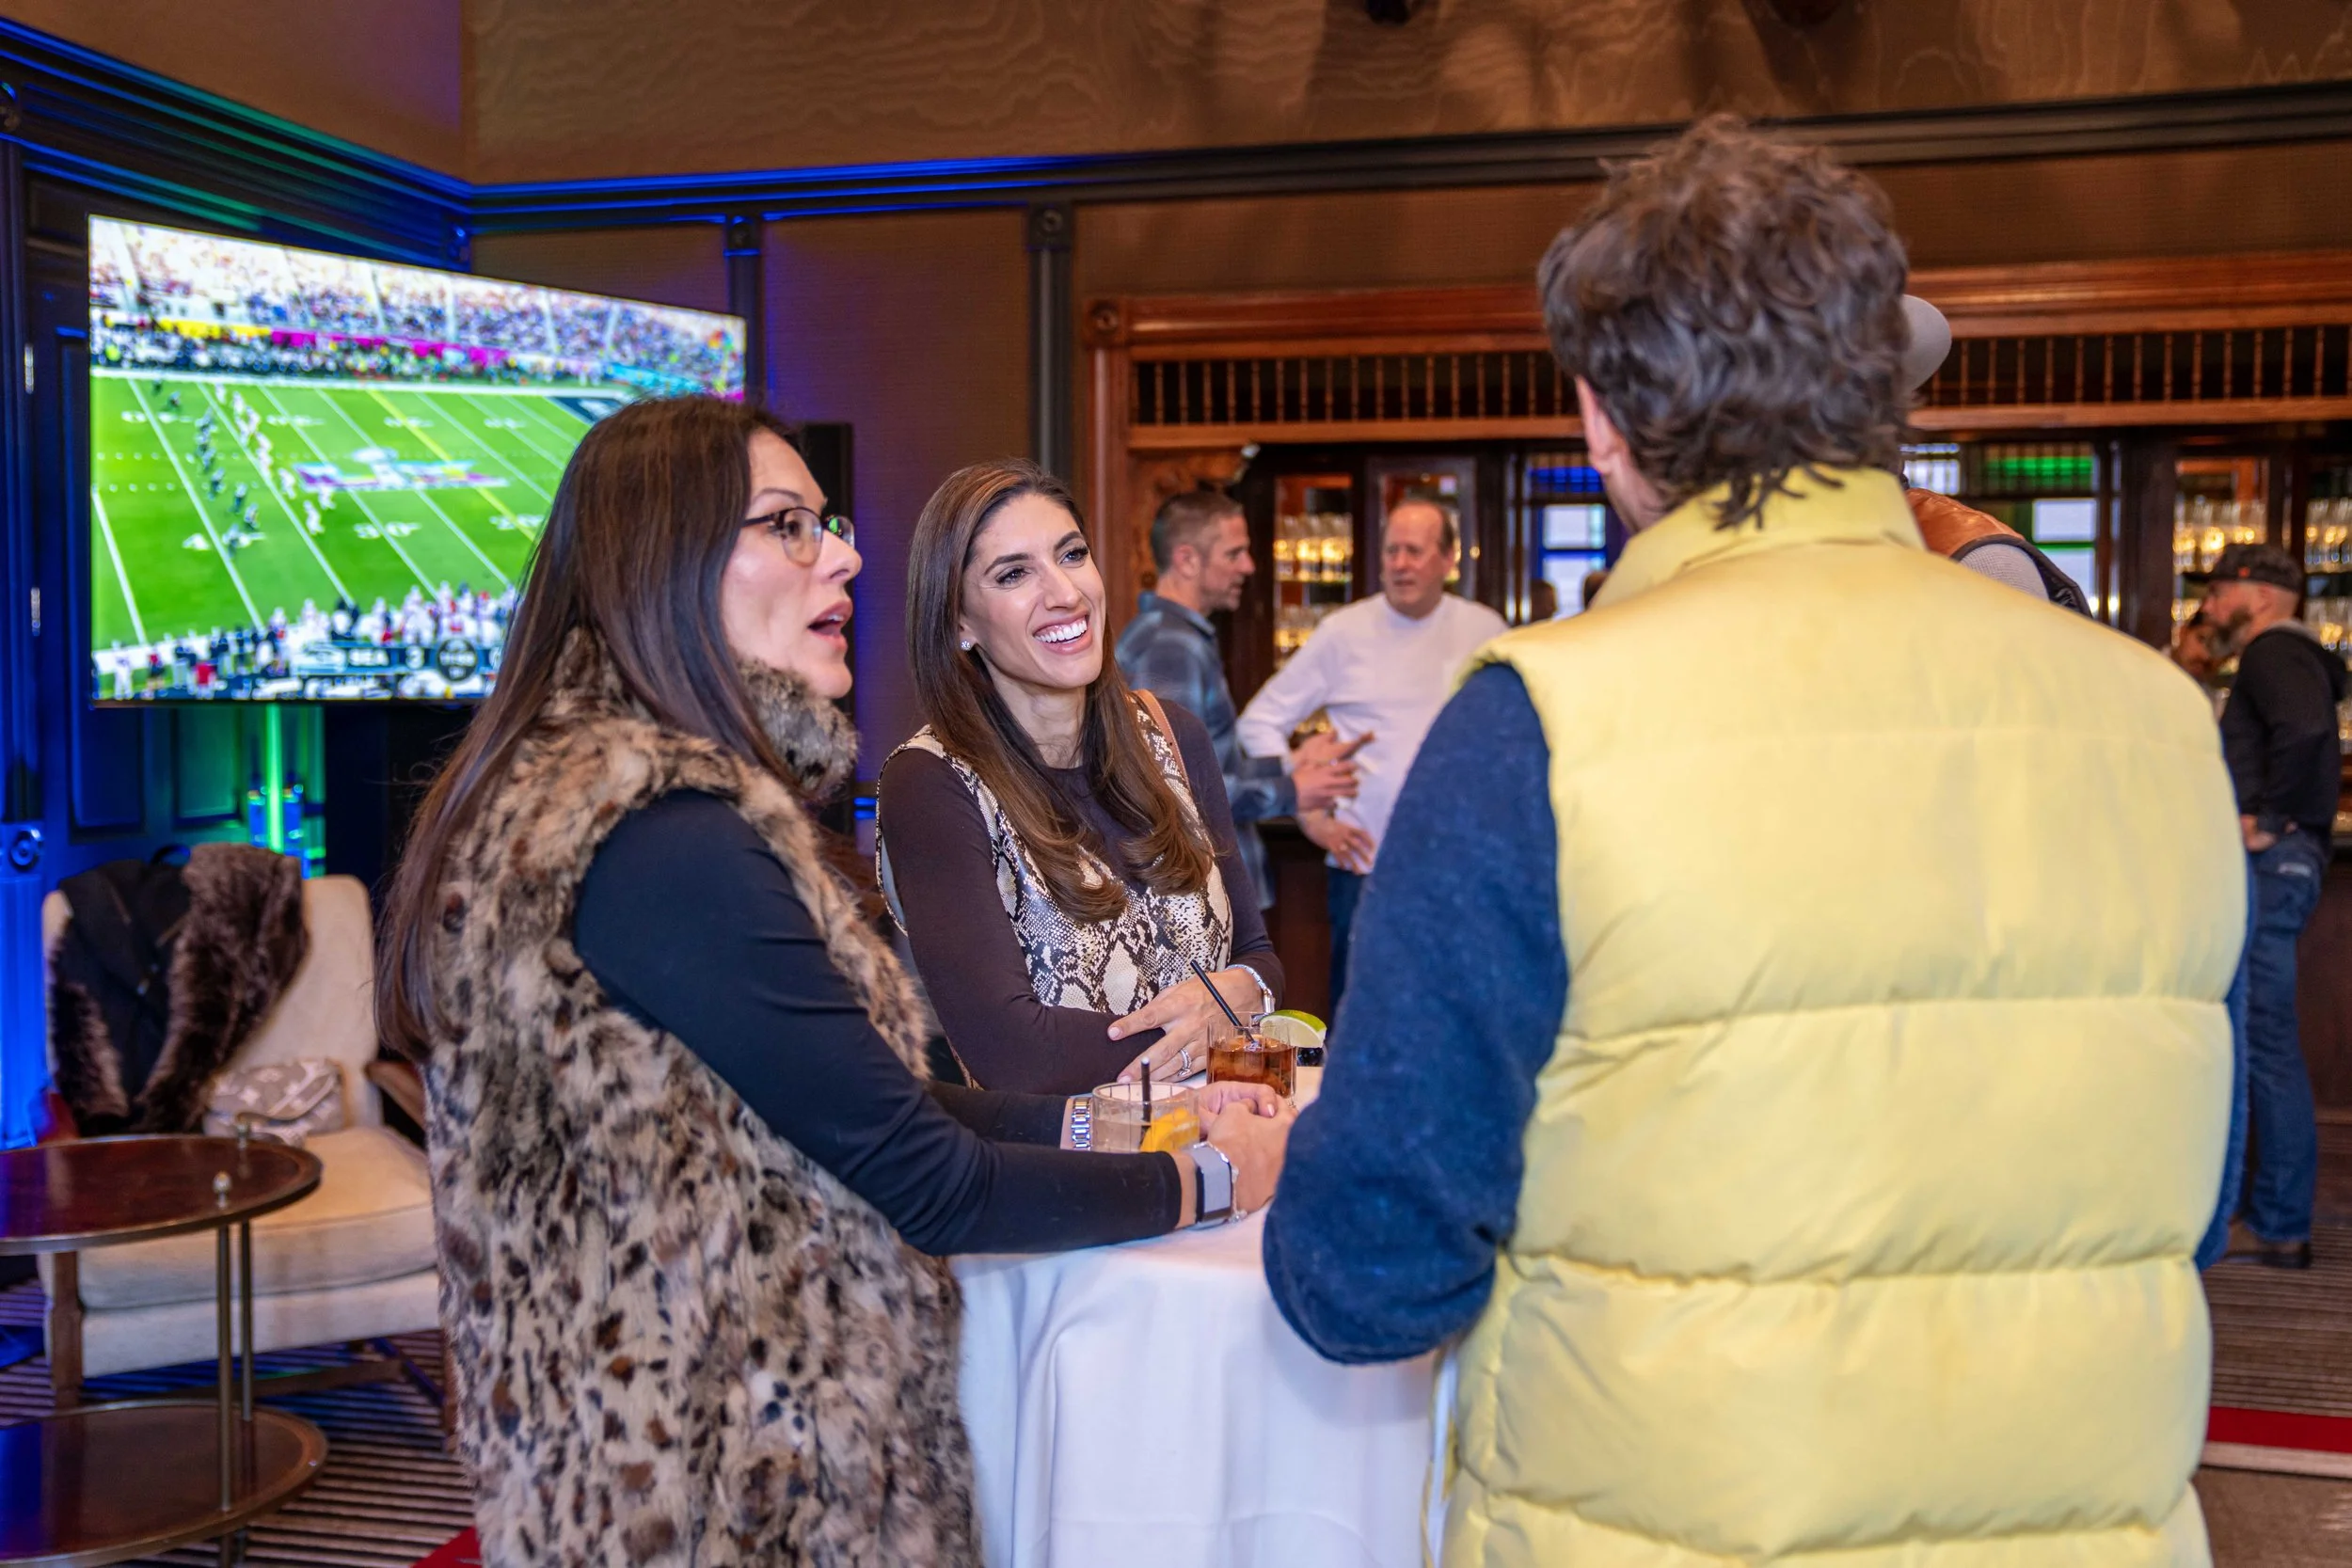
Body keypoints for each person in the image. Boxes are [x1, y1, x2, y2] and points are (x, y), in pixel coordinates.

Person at [1263, 119, 2240, 1568]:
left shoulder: (1543, 721)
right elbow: (2192, 1205)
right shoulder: (2156, 716)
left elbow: (1369, 1272)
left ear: (1602, 417)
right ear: (1880, 394)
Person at [377, 401, 1293, 1567]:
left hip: (678, 1429)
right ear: (669, 563)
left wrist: (1126, 1120)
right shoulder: (664, 833)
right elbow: (929, 1177)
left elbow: (862, 1097)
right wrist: (1211, 1175)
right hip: (715, 1468)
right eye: (789, 525)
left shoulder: (621, 800)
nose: (847, 557)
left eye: (829, 523)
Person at [877, 459, 1287, 1096]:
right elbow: (1013, 1050)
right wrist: (1218, 1027)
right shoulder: (931, 782)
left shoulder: (1173, 735)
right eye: (1014, 574)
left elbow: (1259, 959)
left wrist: (1250, 990)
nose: (1065, 593)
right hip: (1068, 1156)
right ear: (959, 621)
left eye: (1072, 555)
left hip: (1225, 1135)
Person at [1234, 496, 1506, 1004]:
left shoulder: (1485, 631)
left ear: (1448, 559)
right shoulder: (1344, 632)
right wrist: (1308, 809)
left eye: (1414, 551)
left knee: (1461, 1009)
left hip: (1461, 864)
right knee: (1363, 1010)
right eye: (1390, 551)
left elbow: (1507, 740)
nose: (1400, 564)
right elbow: (1258, 723)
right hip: (1365, 868)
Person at [1114, 487, 1362, 911]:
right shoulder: (1171, 646)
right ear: (1187, 560)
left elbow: (1210, 764)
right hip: (1198, 895)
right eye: (1234, 554)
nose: (1248, 566)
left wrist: (1288, 763)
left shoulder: (1176, 636)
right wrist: (1290, 791)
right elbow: (1177, 788)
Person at [2205, 541, 2345, 1269]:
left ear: (2257, 594)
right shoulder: (2296, 656)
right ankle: (2274, 1217)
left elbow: (2309, 732)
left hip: (2272, 863)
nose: (2208, 605)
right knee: (2267, 1038)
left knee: (2264, 1039)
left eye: (2217, 591)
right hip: (2292, 861)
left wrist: (2267, 819)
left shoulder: (2272, 653)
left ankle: (2279, 1222)